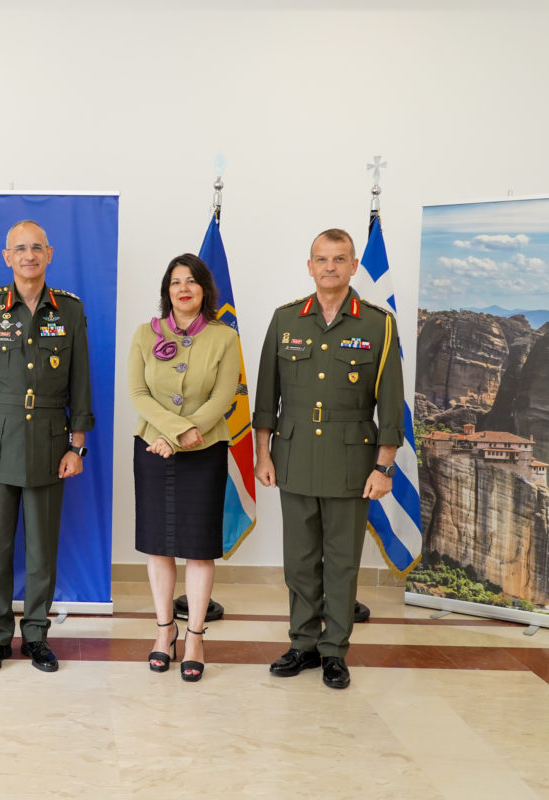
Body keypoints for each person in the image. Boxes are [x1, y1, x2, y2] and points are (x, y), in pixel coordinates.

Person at [252, 228, 403, 689]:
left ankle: (334, 650)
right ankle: (302, 643)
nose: (330, 267)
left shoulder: (377, 323)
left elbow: (390, 404)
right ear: (310, 266)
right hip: (294, 455)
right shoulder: (286, 320)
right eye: (322, 259)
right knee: (299, 560)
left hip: (350, 461)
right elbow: (266, 399)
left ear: (354, 266)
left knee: (341, 561)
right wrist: (263, 455)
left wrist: (384, 466)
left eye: (339, 259)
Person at [0, 220, 93, 675]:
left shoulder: (68, 309)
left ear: (49, 254)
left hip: (50, 444)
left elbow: (81, 381)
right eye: (20, 248)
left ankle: (36, 635)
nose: (28, 256)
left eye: (36, 248)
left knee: (41, 551)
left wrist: (77, 446)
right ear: (7, 257)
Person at [128, 253, 241, 682]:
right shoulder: (145, 334)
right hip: (152, 448)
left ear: (204, 289)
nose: (183, 288)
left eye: (191, 281)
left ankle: (194, 636)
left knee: (198, 547)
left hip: (205, 449)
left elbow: (222, 397)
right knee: (158, 545)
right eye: (176, 282)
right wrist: (174, 432)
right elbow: (138, 394)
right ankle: (164, 631)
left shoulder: (224, 337)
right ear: (167, 291)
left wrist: (178, 436)